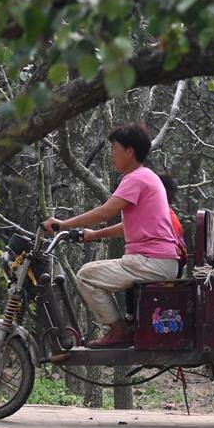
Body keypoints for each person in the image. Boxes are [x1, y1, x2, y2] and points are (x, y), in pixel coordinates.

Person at [42, 123, 179, 348]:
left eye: (114, 148)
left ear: (129, 151)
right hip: (159, 261)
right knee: (93, 274)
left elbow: (106, 211)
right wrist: (94, 234)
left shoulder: (135, 178)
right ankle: (122, 328)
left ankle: (119, 331)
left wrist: (62, 224)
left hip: (151, 261)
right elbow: (128, 227)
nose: (112, 154)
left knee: (86, 275)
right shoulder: (148, 177)